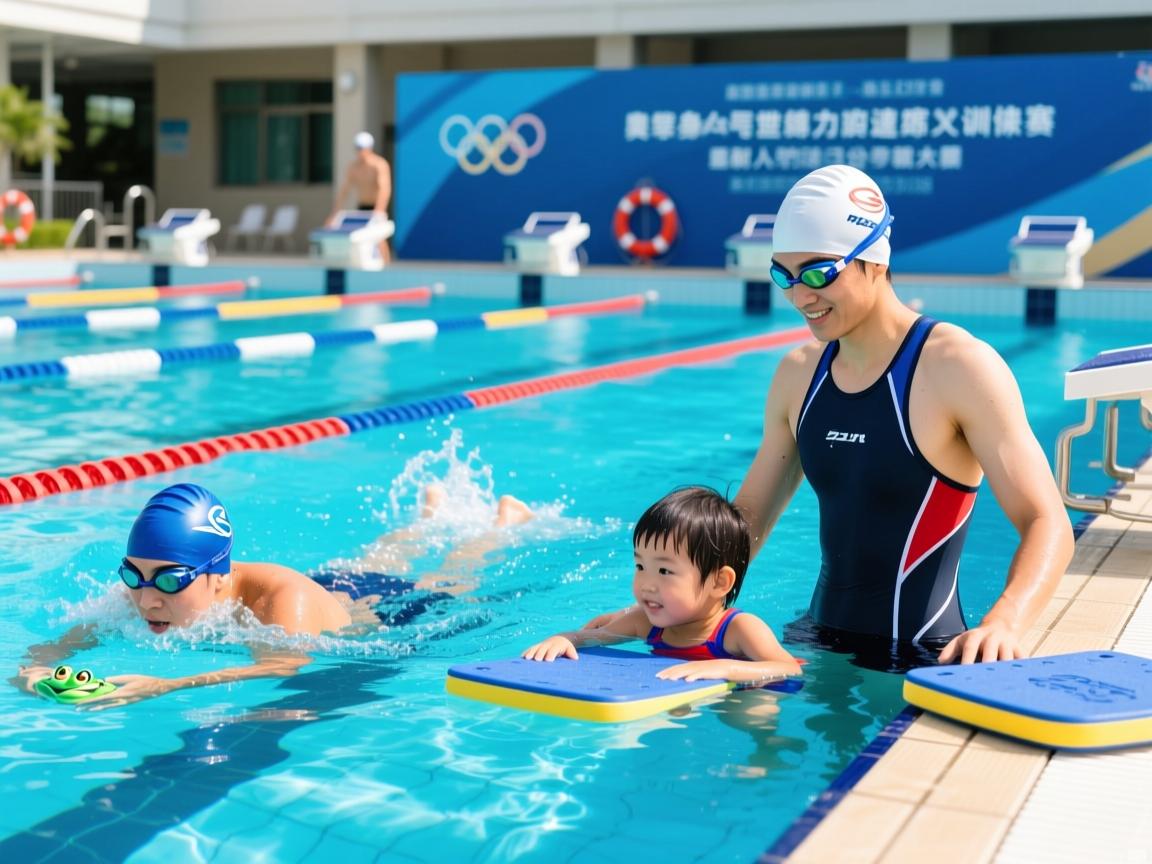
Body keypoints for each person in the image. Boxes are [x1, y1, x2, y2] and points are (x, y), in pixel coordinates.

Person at [729, 163, 1074, 667]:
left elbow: (1048, 521)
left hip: (921, 656)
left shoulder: (957, 366)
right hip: (814, 643)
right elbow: (748, 523)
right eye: (784, 274)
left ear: (872, 259)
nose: (801, 296)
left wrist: (1005, 621)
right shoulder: (798, 374)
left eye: (821, 273)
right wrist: (666, 595)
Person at [14, 482, 533, 707]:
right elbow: (63, 642)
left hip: (384, 614)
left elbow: (279, 667)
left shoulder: (280, 606)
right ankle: (426, 519)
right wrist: (36, 672)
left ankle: (502, 526)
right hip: (330, 587)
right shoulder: (147, 582)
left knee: (449, 581)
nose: (147, 599)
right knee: (369, 562)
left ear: (218, 574)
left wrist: (163, 686)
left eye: (170, 581)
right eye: (134, 576)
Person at [523, 487, 802, 686]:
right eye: (640, 567)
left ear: (719, 582)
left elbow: (788, 667)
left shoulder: (738, 630)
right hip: (684, 689)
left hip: (750, 689)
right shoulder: (645, 623)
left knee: (756, 711)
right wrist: (563, 640)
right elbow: (592, 636)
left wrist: (727, 667)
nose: (647, 584)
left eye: (665, 571)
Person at [327, 130, 393, 263]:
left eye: (362, 148)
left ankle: (386, 266)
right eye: (358, 148)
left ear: (370, 148)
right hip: (362, 206)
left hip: (376, 207)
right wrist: (334, 213)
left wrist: (380, 210)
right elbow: (344, 191)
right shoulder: (354, 167)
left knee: (379, 238)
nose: (360, 151)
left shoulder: (379, 165)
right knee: (361, 238)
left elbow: (384, 189)